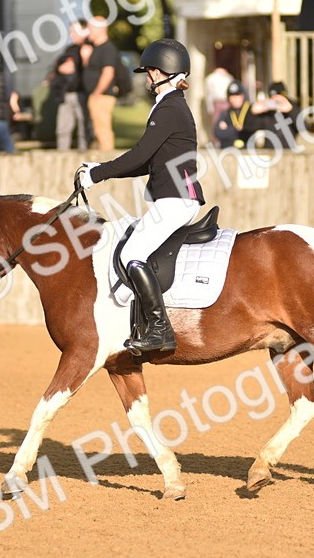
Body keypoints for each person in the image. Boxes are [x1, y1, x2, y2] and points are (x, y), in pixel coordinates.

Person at [77, 38, 205, 354]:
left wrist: (97, 173)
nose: (146, 77)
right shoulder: (168, 106)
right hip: (173, 197)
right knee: (130, 250)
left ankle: (160, 330)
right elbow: (147, 163)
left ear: (166, 71)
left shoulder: (171, 108)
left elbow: (139, 154)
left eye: (149, 71)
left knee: (130, 254)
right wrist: (99, 171)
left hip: (177, 200)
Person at [83, 17, 118, 151]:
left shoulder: (107, 48)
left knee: (102, 130)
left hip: (102, 96)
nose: (88, 32)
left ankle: (108, 160)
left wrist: (97, 92)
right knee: (97, 131)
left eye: (91, 29)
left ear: (100, 29)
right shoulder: (95, 48)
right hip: (96, 95)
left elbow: (108, 72)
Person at [56, 22, 90, 150]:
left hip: (82, 92)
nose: (71, 35)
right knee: (63, 128)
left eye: (73, 32)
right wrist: (60, 68)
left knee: (83, 126)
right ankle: (62, 153)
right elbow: (61, 66)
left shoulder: (88, 48)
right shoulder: (70, 50)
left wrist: (85, 59)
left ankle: (84, 152)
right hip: (67, 92)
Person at [212, 80, 250, 149]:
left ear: (243, 96)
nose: (234, 99)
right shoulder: (226, 113)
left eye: (237, 96)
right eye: (231, 96)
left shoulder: (249, 111)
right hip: (228, 152)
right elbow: (217, 132)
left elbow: (249, 131)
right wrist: (236, 129)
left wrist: (228, 129)